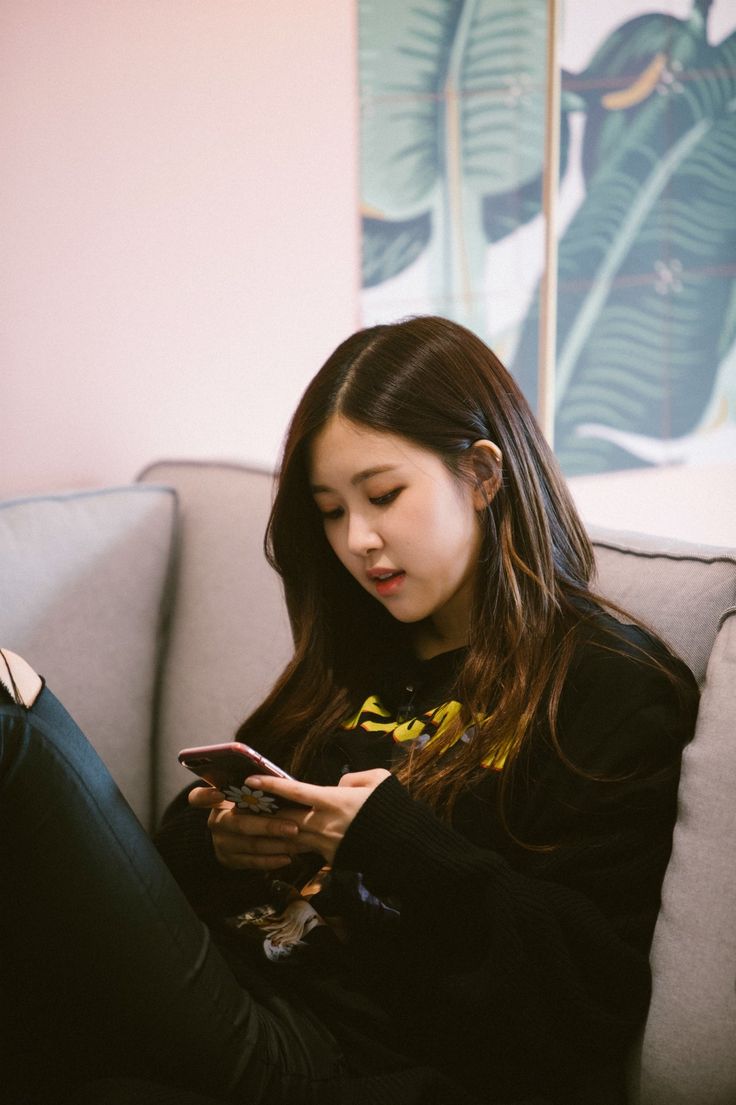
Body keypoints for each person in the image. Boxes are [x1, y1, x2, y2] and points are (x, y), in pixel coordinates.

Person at [0, 316, 698, 1105]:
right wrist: (220, 839)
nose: (357, 539)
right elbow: (174, 854)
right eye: (331, 510)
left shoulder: (608, 683)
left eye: (383, 495)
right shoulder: (360, 652)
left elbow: (589, 995)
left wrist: (394, 841)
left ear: (482, 473)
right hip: (233, 984)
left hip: (341, 1056)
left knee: (11, 737)